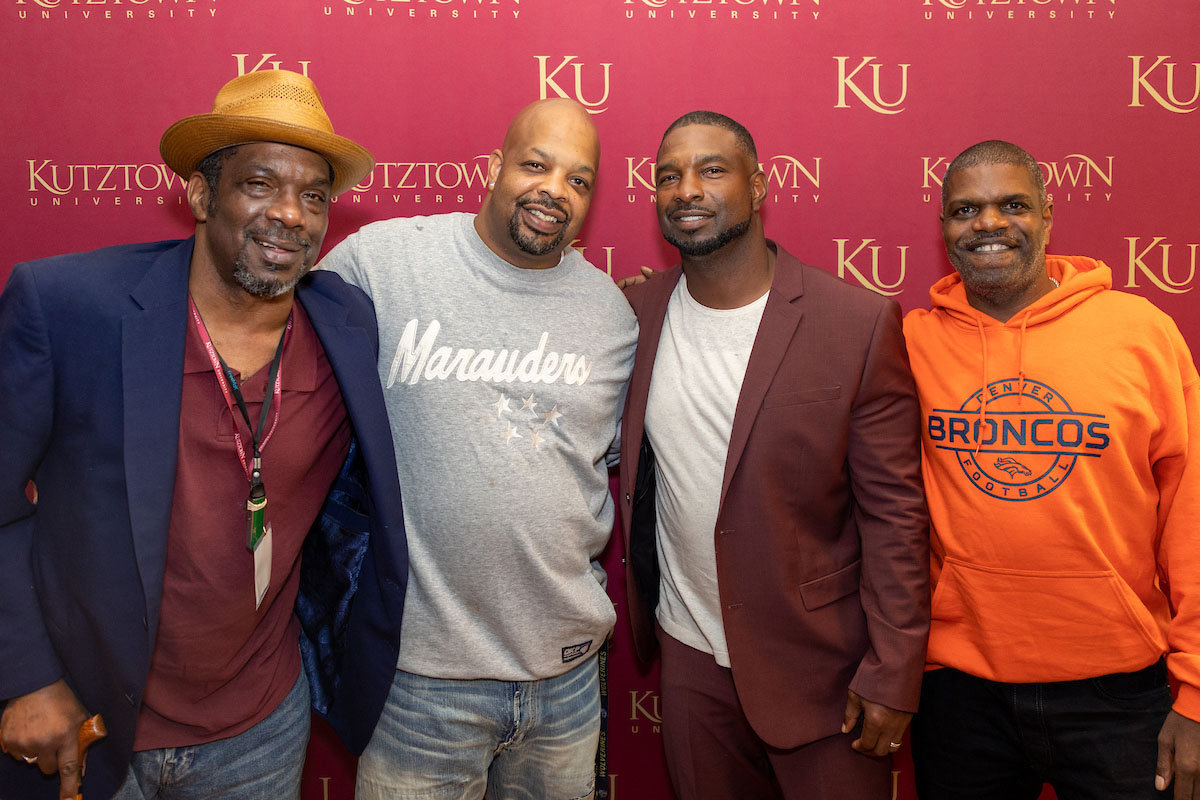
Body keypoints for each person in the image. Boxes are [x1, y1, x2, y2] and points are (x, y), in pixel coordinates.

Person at [0, 70, 408, 800]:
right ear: (199, 195)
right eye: (260, 183)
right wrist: (25, 675)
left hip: (260, 731)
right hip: (87, 718)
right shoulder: (69, 307)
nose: (291, 214)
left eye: (314, 194)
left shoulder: (346, 323)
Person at [318, 98, 637, 799]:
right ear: (492, 168)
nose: (555, 189)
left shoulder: (609, 314)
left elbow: (601, 470)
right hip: (421, 683)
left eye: (579, 180)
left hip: (566, 680)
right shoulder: (381, 262)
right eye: (535, 164)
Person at [617, 110, 929, 800]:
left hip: (825, 670)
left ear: (759, 187)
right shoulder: (632, 315)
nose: (686, 189)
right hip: (691, 660)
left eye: (712, 169)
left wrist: (894, 670)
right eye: (668, 176)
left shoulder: (854, 322)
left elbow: (896, 518)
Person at [904, 139, 1200, 800]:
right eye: (965, 210)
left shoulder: (1140, 334)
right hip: (959, 692)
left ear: (1048, 214)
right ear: (944, 226)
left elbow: (1192, 518)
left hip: (1120, 694)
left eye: (1012, 205)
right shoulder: (910, 343)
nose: (987, 224)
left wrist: (1199, 695)